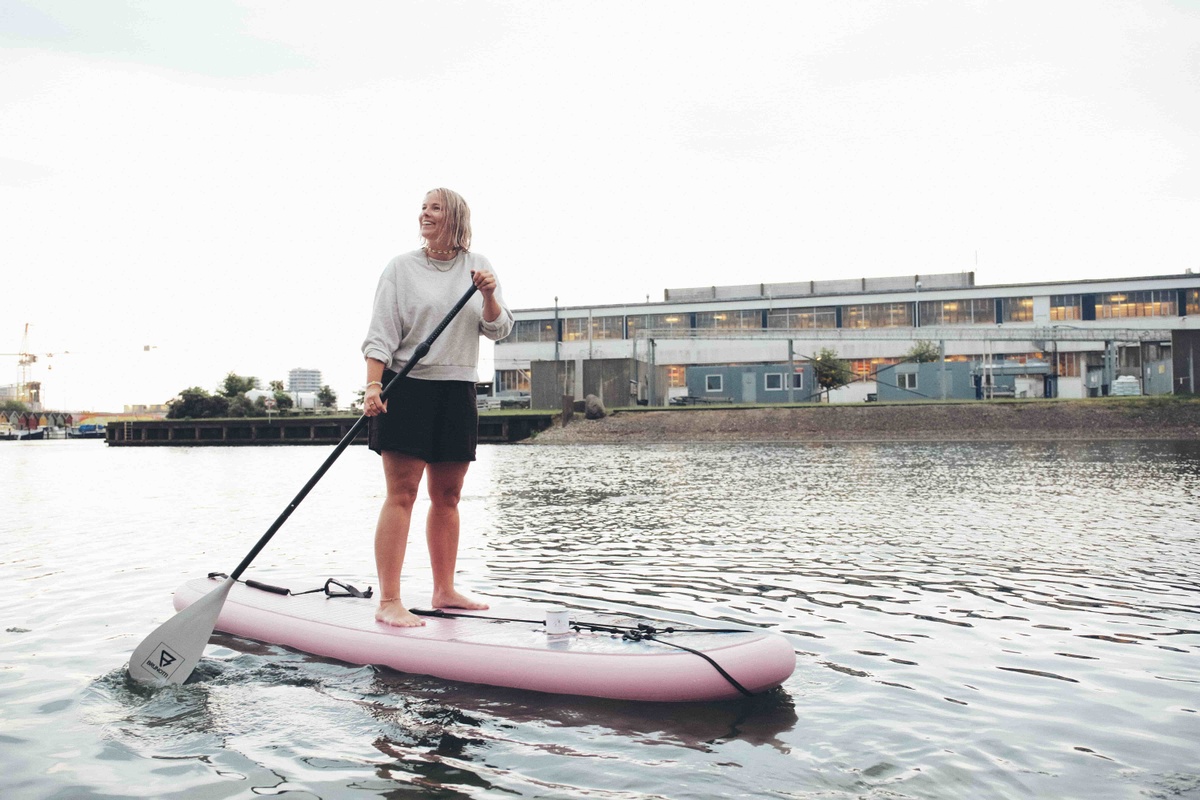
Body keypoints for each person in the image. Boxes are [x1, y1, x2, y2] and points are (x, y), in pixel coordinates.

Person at [361, 188, 513, 627]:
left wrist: (487, 295)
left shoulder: (477, 266)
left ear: (455, 217)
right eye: (423, 207)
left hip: (457, 388)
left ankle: (444, 589)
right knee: (402, 494)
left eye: (435, 207)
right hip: (407, 387)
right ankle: (389, 600)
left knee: (447, 496)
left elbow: (499, 328)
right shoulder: (400, 268)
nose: (424, 214)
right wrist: (374, 385)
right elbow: (380, 335)